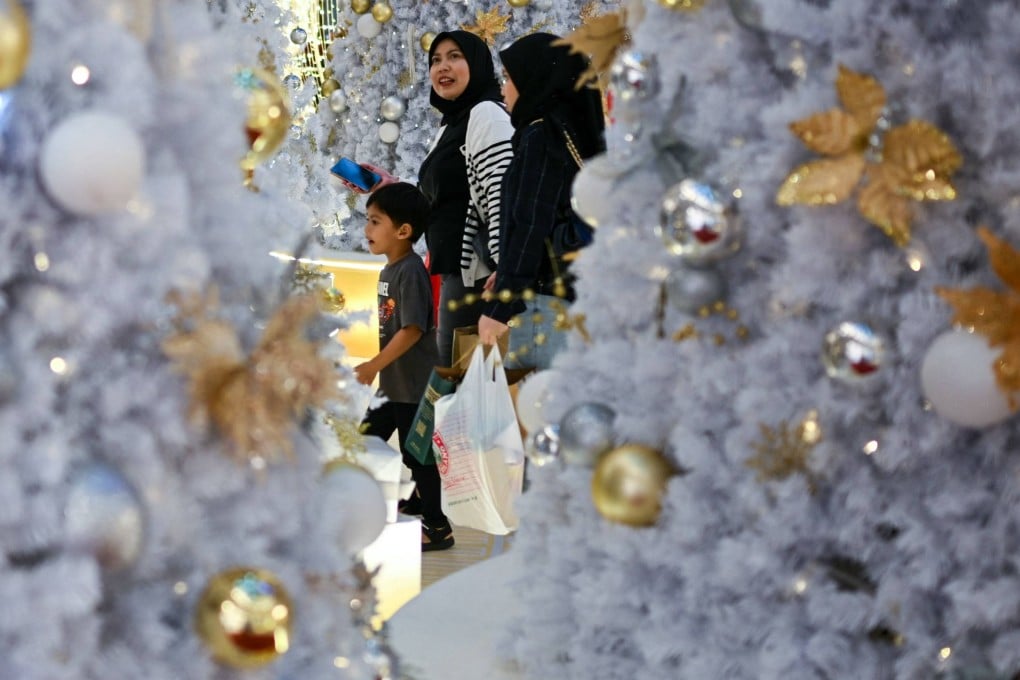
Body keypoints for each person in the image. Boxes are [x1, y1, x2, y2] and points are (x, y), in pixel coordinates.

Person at [344, 30, 513, 367]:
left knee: (464, 388)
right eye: (435, 60)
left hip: (479, 279)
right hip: (456, 273)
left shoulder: (486, 115)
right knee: (459, 385)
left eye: (454, 57)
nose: (442, 67)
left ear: (477, 64)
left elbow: (501, 195)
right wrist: (387, 186)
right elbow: (443, 202)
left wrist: (506, 271)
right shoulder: (453, 124)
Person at [477, 33, 606, 369]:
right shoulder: (566, 131)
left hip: (544, 307)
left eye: (508, 78)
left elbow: (529, 225)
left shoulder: (541, 136)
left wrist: (501, 306)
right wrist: (506, 272)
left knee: (535, 412)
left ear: (535, 79)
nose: (503, 88)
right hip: (571, 299)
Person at [353, 182, 453, 551]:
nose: (367, 229)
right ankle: (411, 498)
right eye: (368, 220)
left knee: (418, 454)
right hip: (393, 382)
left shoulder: (410, 271)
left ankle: (438, 526)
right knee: (366, 437)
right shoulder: (388, 272)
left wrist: (373, 364)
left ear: (403, 231)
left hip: (412, 384)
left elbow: (413, 329)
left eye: (375, 221)